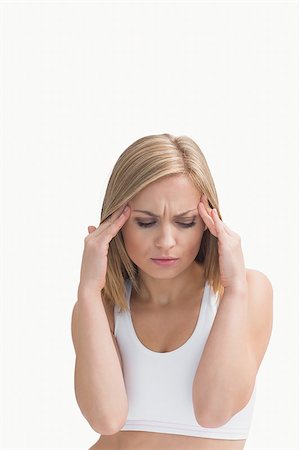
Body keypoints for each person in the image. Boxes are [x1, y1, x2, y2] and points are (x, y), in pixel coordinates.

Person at [71, 133, 273, 450]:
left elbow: (213, 411)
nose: (166, 241)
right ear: (116, 223)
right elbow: (105, 419)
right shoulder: (101, 304)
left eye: (185, 221)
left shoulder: (247, 292)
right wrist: (87, 290)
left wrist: (234, 291)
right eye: (146, 222)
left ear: (210, 221)